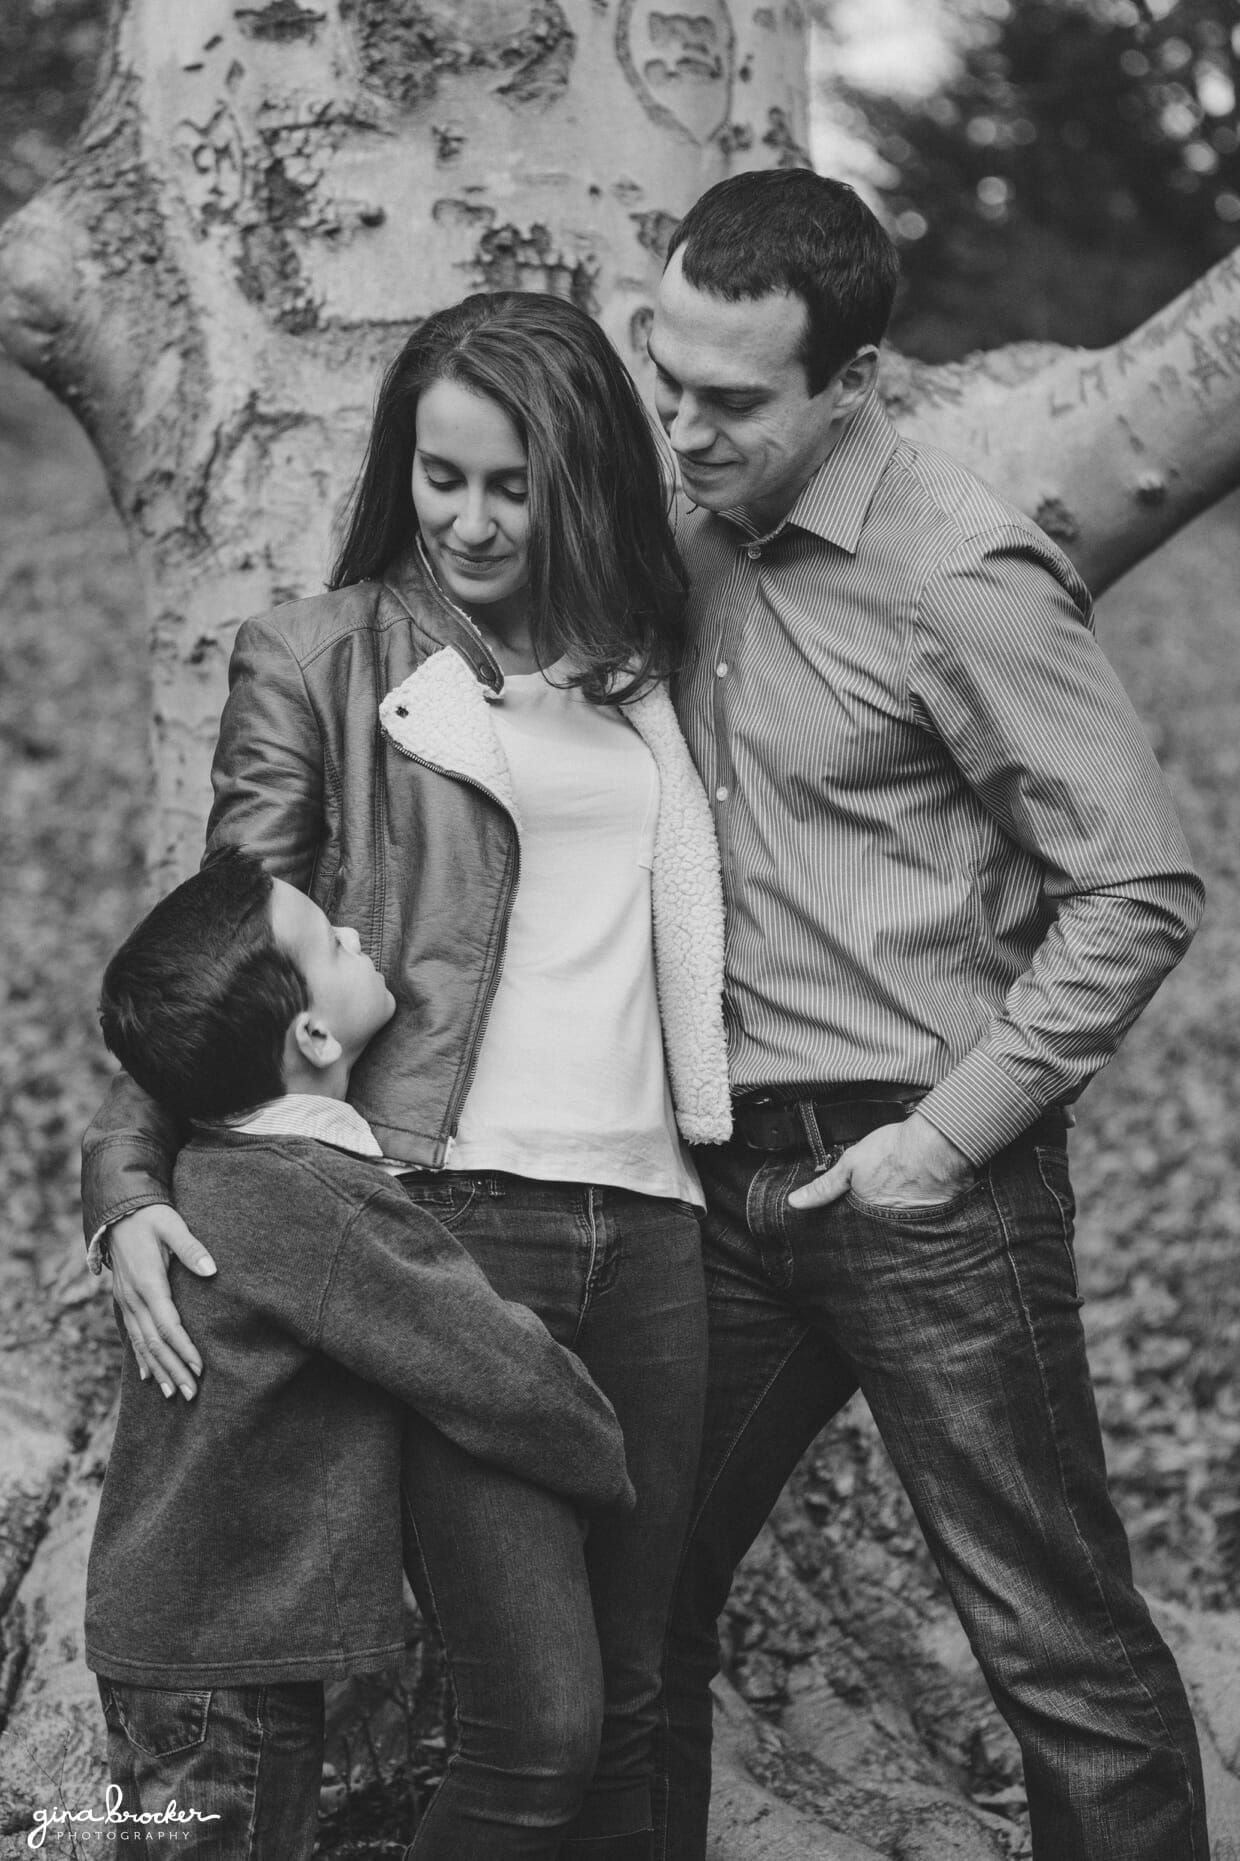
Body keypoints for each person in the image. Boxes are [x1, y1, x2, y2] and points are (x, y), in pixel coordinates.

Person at [80, 291, 732, 1861]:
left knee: (639, 1702)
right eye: (442, 477)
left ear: (582, 484)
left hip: (654, 1225)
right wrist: (123, 1186)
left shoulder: (650, 660)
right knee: (533, 1728)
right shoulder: (319, 657)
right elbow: (222, 948)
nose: (472, 520)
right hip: (452, 1212)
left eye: (515, 485)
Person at [644, 169, 1209, 1861]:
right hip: (721, 1182)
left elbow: (1141, 888)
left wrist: (936, 1146)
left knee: (1059, 1649)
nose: (686, 427)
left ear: (855, 382)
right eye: (669, 378)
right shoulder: (690, 536)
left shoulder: (959, 570)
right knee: (625, 1586)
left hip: (930, 1180)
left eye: (734, 400)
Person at [88, 849, 635, 1859]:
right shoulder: (314, 1197)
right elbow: (486, 1366)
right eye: (332, 941)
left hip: (186, 1647)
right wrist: (604, 1455)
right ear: (311, 1032)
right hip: (223, 1664)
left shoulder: (226, 1165)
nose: (357, 936)